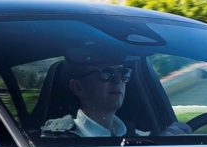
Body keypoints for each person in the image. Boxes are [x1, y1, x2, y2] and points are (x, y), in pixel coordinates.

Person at [38, 45, 190, 140]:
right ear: (78, 87)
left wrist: (163, 144)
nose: (118, 80)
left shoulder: (138, 136)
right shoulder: (55, 141)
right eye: (106, 73)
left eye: (123, 73)